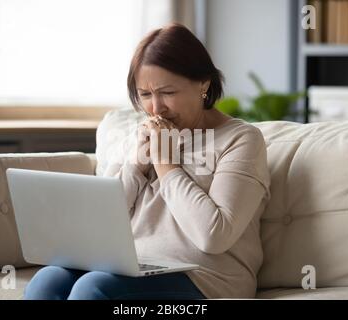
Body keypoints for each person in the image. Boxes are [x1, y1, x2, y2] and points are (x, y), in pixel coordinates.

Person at [24, 23, 271, 300]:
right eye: (145, 95)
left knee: (93, 288)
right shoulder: (138, 136)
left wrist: (166, 163)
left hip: (206, 280)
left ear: (204, 85)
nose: (156, 108)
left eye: (168, 92)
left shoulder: (241, 140)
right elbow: (100, 225)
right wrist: (135, 166)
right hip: (133, 268)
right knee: (48, 279)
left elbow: (213, 236)